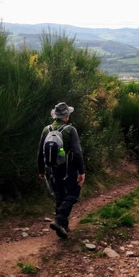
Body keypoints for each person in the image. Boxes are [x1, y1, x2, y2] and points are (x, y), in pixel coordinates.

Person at [37, 102, 86, 239]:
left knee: (59, 196)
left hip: (52, 169)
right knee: (73, 194)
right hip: (69, 168)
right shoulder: (70, 130)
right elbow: (77, 153)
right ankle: (59, 219)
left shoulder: (46, 129)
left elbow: (40, 152)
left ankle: (63, 227)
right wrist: (81, 172)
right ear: (66, 116)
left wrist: (41, 169)